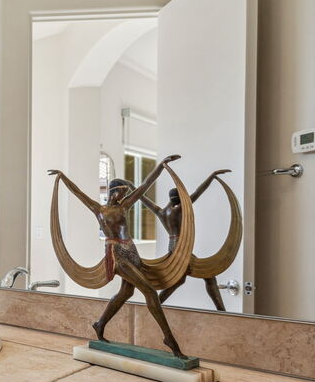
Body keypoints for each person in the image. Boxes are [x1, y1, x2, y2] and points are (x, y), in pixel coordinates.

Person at [48, 154, 189, 359]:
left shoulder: (124, 206)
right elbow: (78, 192)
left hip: (132, 252)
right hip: (117, 255)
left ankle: (100, 323)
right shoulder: (99, 209)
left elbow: (144, 185)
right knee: (149, 291)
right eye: (121, 193)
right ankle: (170, 339)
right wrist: (62, 177)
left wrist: (161, 166)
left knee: (126, 294)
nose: (124, 197)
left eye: (125, 194)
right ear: (113, 192)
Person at [141, 170, 232, 310]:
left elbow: (144, 200)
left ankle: (155, 305)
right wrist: (211, 176)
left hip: (173, 247)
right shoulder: (179, 210)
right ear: (180, 198)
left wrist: (133, 190)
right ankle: (222, 311)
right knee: (208, 275)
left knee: (179, 280)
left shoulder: (161, 212)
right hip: (181, 248)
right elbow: (197, 192)